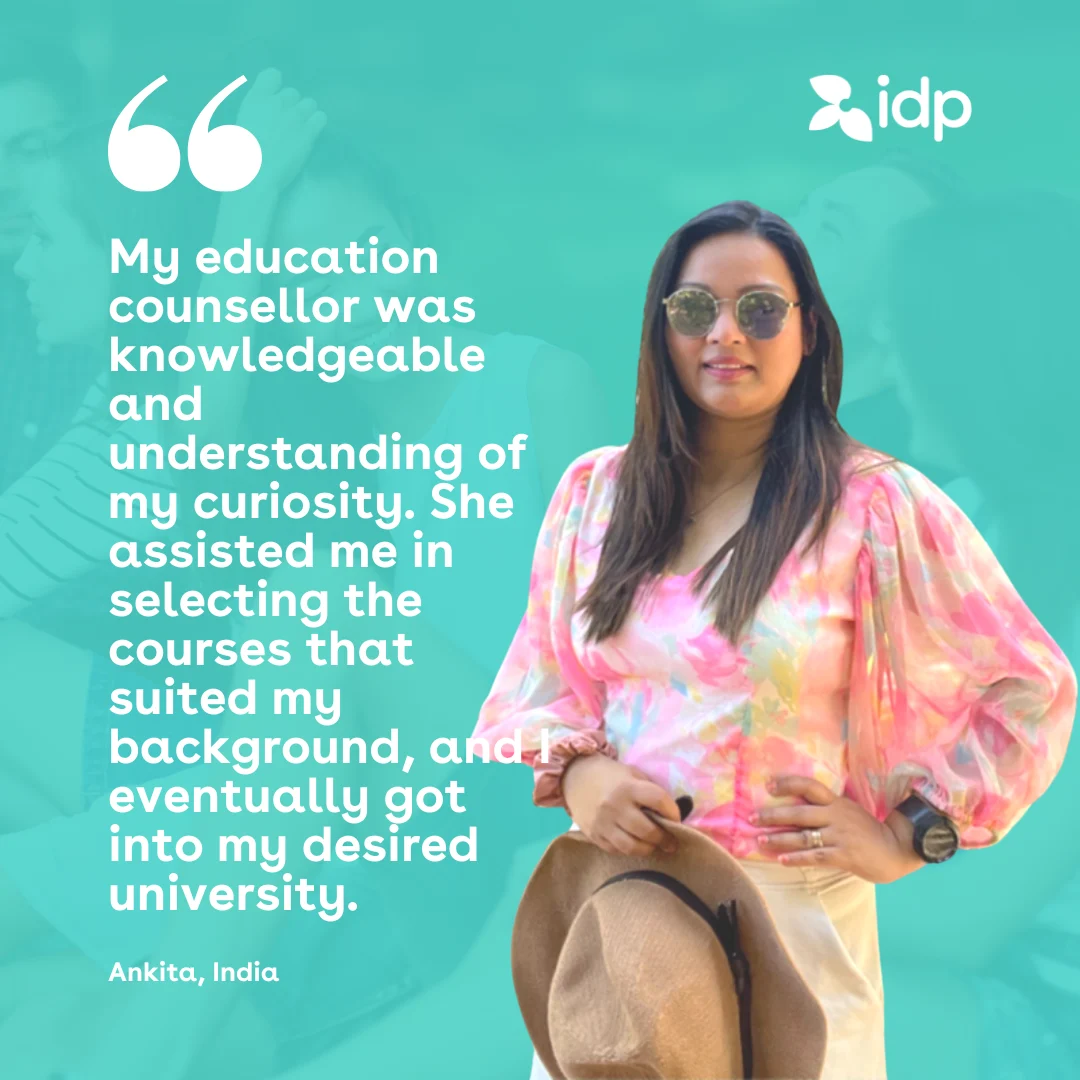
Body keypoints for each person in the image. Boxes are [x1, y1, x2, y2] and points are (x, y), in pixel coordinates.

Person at [470, 199, 1077, 1078]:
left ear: (810, 333)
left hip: (798, 921)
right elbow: (548, 687)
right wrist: (584, 776)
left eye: (760, 309)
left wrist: (914, 836)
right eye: (693, 310)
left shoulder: (876, 504)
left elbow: (1031, 689)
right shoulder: (596, 493)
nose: (726, 334)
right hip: (627, 915)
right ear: (658, 329)